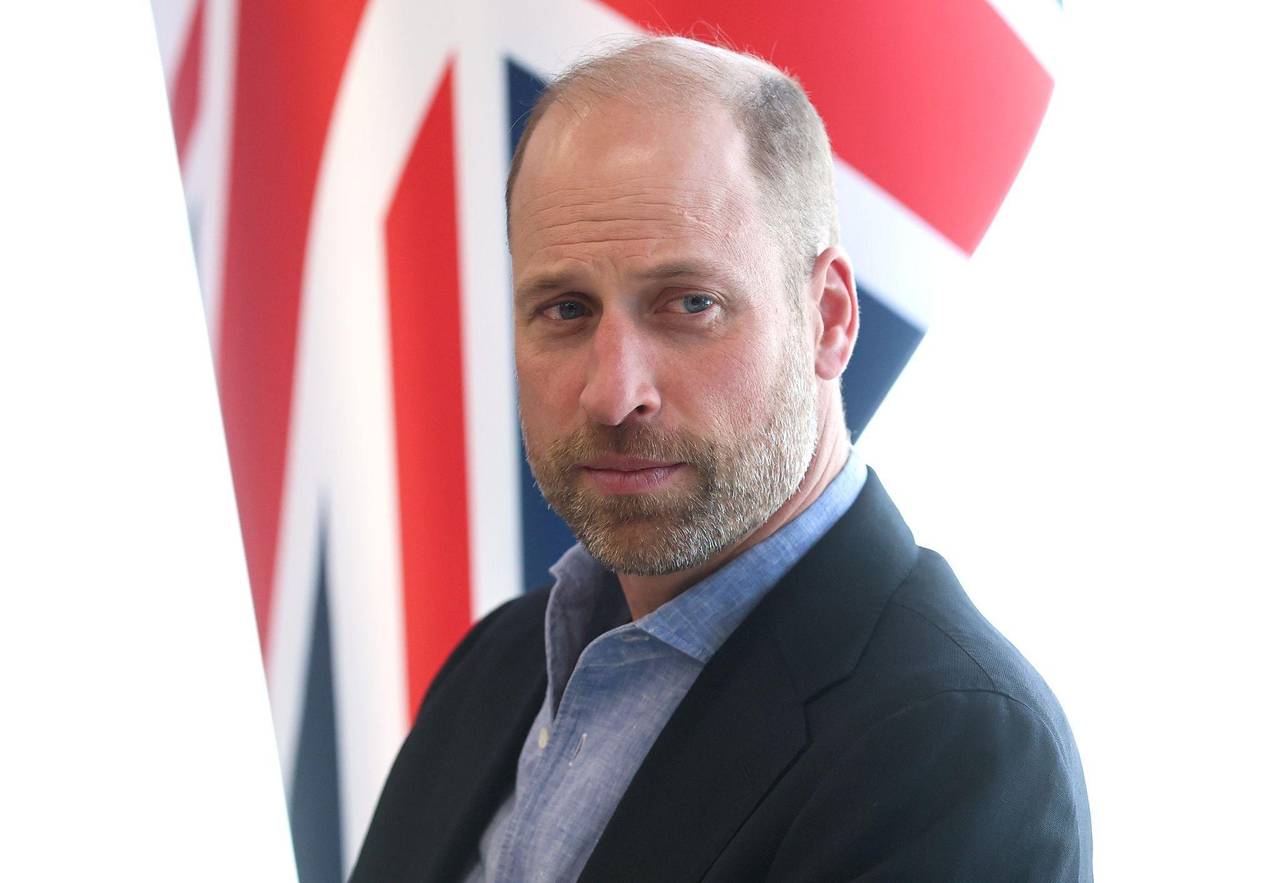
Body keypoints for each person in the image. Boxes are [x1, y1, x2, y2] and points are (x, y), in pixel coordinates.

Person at [350, 36, 1091, 883]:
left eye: (690, 303)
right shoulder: (496, 664)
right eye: (566, 309)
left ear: (829, 318)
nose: (613, 392)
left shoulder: (959, 752)